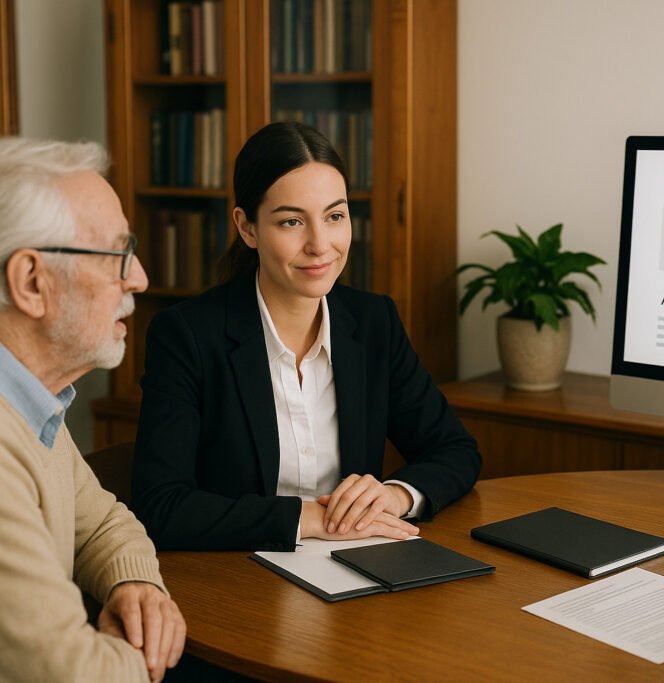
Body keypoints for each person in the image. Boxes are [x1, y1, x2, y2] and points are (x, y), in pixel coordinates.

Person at [131, 122, 481, 551]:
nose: (320, 244)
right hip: (237, 572)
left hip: (356, 563)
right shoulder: (186, 335)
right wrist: (308, 518)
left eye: (335, 216)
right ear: (247, 228)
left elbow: (455, 449)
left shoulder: (374, 322)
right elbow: (160, 505)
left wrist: (395, 495)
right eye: (292, 221)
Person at [0, 137, 186, 681]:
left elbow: (102, 522)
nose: (140, 278)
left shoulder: (34, 401)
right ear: (32, 282)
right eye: (117, 255)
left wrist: (136, 584)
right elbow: (72, 673)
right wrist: (144, 650)